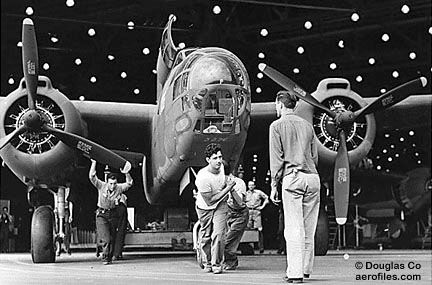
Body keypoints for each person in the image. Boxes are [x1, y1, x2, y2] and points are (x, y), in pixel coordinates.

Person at [269, 90, 320, 283]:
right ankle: (306, 269)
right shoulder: (308, 126)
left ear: (280, 105)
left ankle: (296, 273)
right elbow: (314, 156)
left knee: (293, 228)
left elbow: (277, 160)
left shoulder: (276, 126)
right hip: (312, 178)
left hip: (293, 178)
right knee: (309, 227)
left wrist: (274, 185)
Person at [195, 143, 236, 274]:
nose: (219, 160)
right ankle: (206, 262)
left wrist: (226, 186)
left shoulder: (222, 166)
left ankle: (216, 263)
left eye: (220, 157)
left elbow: (223, 181)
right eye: (215, 158)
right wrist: (228, 188)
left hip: (221, 204)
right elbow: (210, 200)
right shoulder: (202, 177)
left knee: (218, 234)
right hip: (205, 207)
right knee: (206, 236)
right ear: (208, 160)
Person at [89, 159, 133, 265]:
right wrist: (94, 163)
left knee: (112, 237)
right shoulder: (101, 186)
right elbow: (92, 177)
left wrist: (126, 172)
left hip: (113, 214)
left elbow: (129, 183)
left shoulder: (118, 188)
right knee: (106, 238)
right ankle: (105, 257)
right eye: (110, 183)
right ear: (107, 182)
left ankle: (109, 256)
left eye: (114, 183)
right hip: (102, 215)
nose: (112, 186)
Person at [223, 160, 249, 270]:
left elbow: (240, 203)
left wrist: (230, 188)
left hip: (240, 214)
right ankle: (229, 260)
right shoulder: (218, 181)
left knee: (228, 240)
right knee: (222, 239)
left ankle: (231, 261)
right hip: (228, 212)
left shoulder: (238, 182)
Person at [245, 180, 269, 253]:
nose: (251, 187)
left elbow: (266, 198)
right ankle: (250, 248)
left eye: (252, 185)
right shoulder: (246, 193)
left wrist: (262, 206)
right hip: (248, 211)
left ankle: (261, 247)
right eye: (249, 185)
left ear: (254, 186)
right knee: (248, 229)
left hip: (257, 211)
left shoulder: (258, 192)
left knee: (259, 229)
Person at [53, 182, 74, 256]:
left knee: (67, 230)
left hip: (66, 211)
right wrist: (55, 209)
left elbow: (70, 202)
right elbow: (55, 197)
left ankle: (67, 247)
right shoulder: (56, 190)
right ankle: (58, 248)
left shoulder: (68, 191)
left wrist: (71, 215)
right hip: (58, 210)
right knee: (57, 229)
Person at [113, 194, 128, 260]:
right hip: (121, 209)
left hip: (117, 209)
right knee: (120, 235)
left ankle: (115, 254)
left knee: (116, 235)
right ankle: (117, 254)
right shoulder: (123, 195)